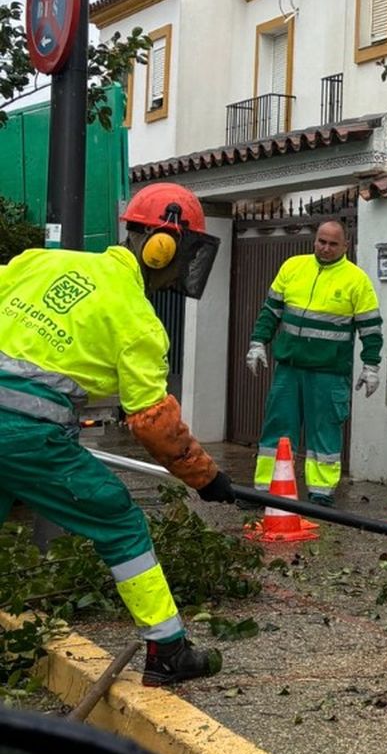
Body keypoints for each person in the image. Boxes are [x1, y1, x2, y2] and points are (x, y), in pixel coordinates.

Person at [0, 183, 234, 686]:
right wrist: (206, 478)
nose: (183, 267)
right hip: (26, 436)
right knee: (119, 519)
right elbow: (154, 422)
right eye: (187, 252)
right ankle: (168, 649)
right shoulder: (137, 319)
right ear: (162, 247)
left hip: (18, 434)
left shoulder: (40, 262)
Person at [246, 219, 382, 501]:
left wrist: (371, 366)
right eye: (322, 241)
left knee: (324, 433)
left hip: (329, 372)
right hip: (289, 369)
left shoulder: (357, 280)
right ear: (315, 240)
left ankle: (320, 494)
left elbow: (371, 329)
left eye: (333, 243)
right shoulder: (293, 267)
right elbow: (271, 311)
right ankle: (267, 491)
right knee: (277, 430)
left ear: (346, 246)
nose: (326, 248)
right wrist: (258, 342)